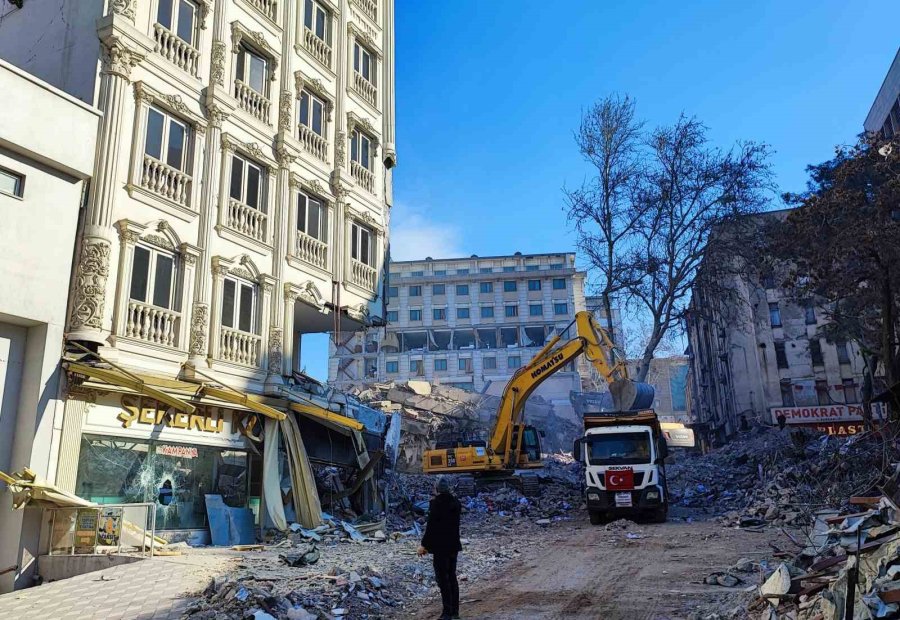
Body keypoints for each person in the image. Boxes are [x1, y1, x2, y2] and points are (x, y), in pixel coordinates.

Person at [418, 476, 462, 620]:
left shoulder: (436, 503)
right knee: (452, 577)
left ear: (437, 488)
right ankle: (455, 612)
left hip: (441, 548)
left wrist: (424, 545)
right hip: (453, 545)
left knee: (443, 580)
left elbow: (431, 527)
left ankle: (447, 613)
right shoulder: (456, 503)